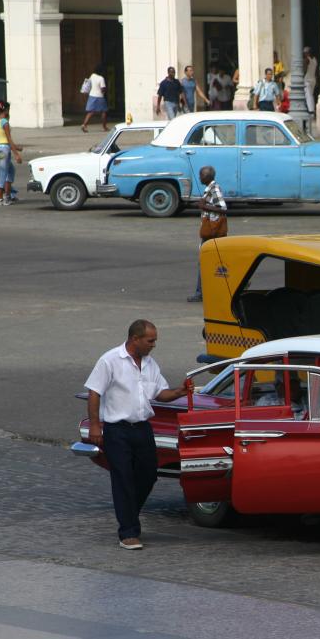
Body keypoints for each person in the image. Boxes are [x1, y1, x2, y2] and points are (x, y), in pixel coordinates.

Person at [84, 320, 191, 550]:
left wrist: (179, 392)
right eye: (150, 340)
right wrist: (95, 425)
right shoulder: (110, 360)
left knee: (148, 475)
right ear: (135, 339)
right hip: (117, 429)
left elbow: (160, 393)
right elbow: (94, 392)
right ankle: (128, 532)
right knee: (122, 478)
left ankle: (129, 513)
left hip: (142, 428)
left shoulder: (150, 364)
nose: (154, 345)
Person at [188, 165, 227, 303]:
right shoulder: (210, 189)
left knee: (205, 262)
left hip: (213, 233)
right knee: (215, 263)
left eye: (201, 175)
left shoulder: (214, 189)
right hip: (211, 232)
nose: (199, 177)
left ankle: (201, 293)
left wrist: (204, 207)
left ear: (207, 176)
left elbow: (223, 208)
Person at [0, 100, 21, 206]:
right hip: (5, 150)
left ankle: (7, 195)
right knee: (3, 173)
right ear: (5, 109)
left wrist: (17, 148)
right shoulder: (5, 123)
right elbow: (8, 139)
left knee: (10, 171)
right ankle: (0, 198)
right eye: (8, 109)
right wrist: (16, 154)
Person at [81, 64, 109, 132]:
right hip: (99, 97)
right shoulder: (101, 78)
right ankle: (104, 127)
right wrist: (106, 90)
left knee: (91, 112)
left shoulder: (92, 76)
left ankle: (84, 125)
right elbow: (102, 89)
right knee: (104, 111)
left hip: (91, 96)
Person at [303, 47, 319, 115]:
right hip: (313, 79)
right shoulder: (315, 59)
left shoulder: (307, 59)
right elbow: (316, 71)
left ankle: (311, 110)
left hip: (307, 79)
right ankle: (312, 109)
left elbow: (305, 70)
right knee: (311, 95)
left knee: (308, 96)